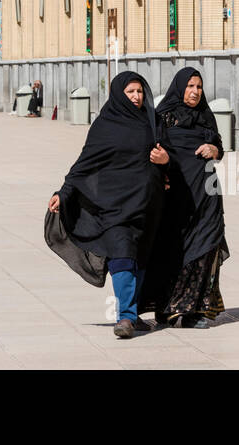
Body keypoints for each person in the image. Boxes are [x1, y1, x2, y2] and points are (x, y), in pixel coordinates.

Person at [46, 71, 168, 339]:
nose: (137, 97)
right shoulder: (105, 125)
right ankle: (125, 317)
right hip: (113, 203)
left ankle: (133, 314)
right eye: (131, 92)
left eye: (140, 92)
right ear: (118, 94)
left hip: (147, 203)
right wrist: (64, 192)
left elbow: (167, 153)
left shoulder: (152, 120)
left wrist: (165, 159)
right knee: (122, 255)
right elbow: (85, 162)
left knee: (141, 258)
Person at [142, 67, 229, 329]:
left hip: (207, 194)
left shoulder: (205, 115)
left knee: (206, 247)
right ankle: (167, 308)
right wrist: (165, 163)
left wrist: (215, 149)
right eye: (190, 86)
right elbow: (151, 153)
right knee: (173, 249)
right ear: (180, 87)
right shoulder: (163, 117)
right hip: (176, 196)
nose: (194, 92)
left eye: (199, 87)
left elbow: (219, 148)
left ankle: (195, 311)